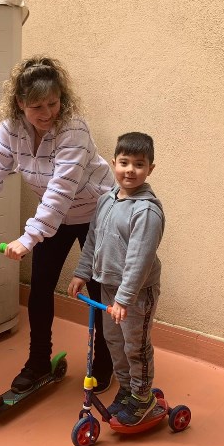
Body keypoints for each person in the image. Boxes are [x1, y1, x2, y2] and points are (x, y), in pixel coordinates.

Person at [0, 55, 115, 394]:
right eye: (37, 106)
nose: (47, 113)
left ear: (61, 99)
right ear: (20, 103)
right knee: (40, 289)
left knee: (99, 291)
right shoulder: (10, 131)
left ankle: (104, 361)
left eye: (53, 103)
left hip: (96, 214)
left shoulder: (73, 129)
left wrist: (29, 237)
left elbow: (60, 189)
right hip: (54, 217)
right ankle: (38, 360)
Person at [68, 131, 164, 426]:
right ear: (113, 163)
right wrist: (82, 272)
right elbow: (93, 240)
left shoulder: (146, 211)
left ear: (150, 169)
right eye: (124, 162)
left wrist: (124, 298)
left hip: (136, 294)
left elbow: (139, 260)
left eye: (139, 164)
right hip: (107, 288)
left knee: (135, 346)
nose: (130, 170)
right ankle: (126, 389)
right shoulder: (105, 201)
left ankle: (143, 398)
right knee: (114, 342)